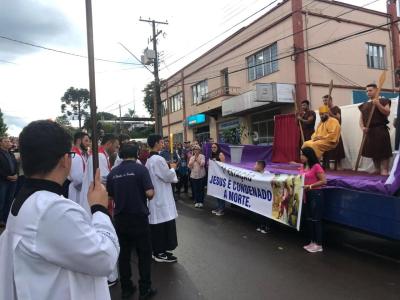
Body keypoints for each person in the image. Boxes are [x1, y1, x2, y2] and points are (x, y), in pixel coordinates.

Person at [0, 120, 119, 300]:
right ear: (65, 159)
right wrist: (99, 208)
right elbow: (105, 258)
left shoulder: (26, 198)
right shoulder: (53, 210)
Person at [106, 144, 156, 299]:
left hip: (121, 219)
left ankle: (127, 289)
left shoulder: (113, 173)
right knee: (144, 254)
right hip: (139, 218)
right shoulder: (141, 170)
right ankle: (145, 289)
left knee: (124, 255)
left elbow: (110, 196)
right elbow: (149, 193)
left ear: (120, 155)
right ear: (136, 154)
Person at [80, 133, 120, 286]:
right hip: (96, 200)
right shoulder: (100, 157)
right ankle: (108, 277)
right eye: (115, 146)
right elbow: (104, 178)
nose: (116, 150)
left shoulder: (99, 155)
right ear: (109, 143)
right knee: (102, 235)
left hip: (92, 198)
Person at [146, 134, 179, 263]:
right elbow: (167, 177)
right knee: (162, 225)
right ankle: (159, 252)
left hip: (157, 195)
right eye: (161, 142)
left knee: (160, 224)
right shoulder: (158, 159)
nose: (163, 144)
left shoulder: (150, 160)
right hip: (161, 197)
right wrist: (172, 169)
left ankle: (161, 250)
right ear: (156, 143)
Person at [359, 83, 392, 175]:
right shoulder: (364, 105)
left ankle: (384, 169)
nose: (368, 92)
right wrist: (363, 127)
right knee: (373, 150)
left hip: (380, 129)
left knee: (383, 151)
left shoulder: (384, 100)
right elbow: (361, 119)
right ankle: (377, 168)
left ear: (376, 90)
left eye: (370, 90)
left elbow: (387, 112)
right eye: (366, 91)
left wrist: (378, 104)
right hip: (369, 131)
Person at [300, 147, 327, 253]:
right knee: (309, 219)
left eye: (302, 155)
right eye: (300, 155)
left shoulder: (316, 166)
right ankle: (312, 241)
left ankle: (319, 244)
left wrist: (310, 186)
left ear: (308, 156)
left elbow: (324, 181)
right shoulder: (302, 166)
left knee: (316, 220)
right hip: (306, 195)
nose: (301, 157)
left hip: (315, 194)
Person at [322, 95, 345, 170]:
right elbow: (323, 121)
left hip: (335, 131)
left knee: (337, 148)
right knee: (328, 149)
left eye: (326, 100)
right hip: (327, 132)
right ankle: (328, 165)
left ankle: (339, 165)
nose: (324, 102)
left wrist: (330, 113)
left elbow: (338, 118)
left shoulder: (336, 108)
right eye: (323, 101)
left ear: (330, 100)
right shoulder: (324, 109)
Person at [0, 136, 18, 227]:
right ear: (0, 143)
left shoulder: (11, 153)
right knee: (1, 200)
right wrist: (7, 176)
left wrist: (16, 175)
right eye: (5, 141)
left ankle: (6, 219)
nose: (8, 143)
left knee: (9, 200)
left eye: (8, 141)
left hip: (13, 181)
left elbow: (15, 165)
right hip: (3, 181)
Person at [68, 132, 89, 203]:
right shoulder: (75, 156)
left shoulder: (83, 154)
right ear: (79, 141)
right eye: (86, 141)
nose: (88, 143)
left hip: (80, 190)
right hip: (77, 192)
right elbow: (78, 181)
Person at [253, 160, 273, 233]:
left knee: (265, 212)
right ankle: (261, 225)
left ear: (260, 166)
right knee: (260, 211)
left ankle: (267, 226)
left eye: (256, 165)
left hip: (266, 196)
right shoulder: (256, 173)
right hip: (259, 196)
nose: (254, 166)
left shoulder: (267, 174)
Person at [210, 143, 226, 216]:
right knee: (216, 193)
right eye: (212, 147)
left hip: (220, 176)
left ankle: (221, 209)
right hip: (215, 176)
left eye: (214, 147)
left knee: (220, 193)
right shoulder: (212, 155)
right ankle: (218, 207)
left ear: (217, 147)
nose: (213, 148)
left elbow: (223, 165)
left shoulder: (220, 154)